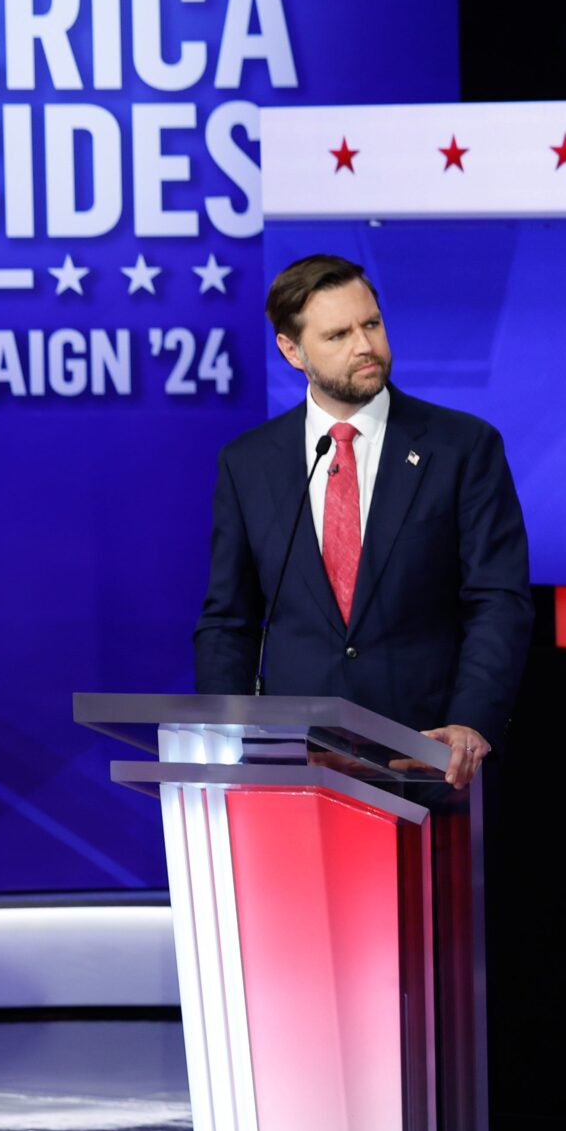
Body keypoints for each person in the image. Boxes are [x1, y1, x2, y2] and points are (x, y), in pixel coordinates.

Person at [194, 256, 530, 785]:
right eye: (338, 335)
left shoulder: (463, 447)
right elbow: (227, 621)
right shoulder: (248, 463)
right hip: (293, 763)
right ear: (292, 350)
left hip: (427, 757)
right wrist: (222, 736)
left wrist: (471, 720)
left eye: (371, 324)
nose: (365, 346)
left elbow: (498, 600)